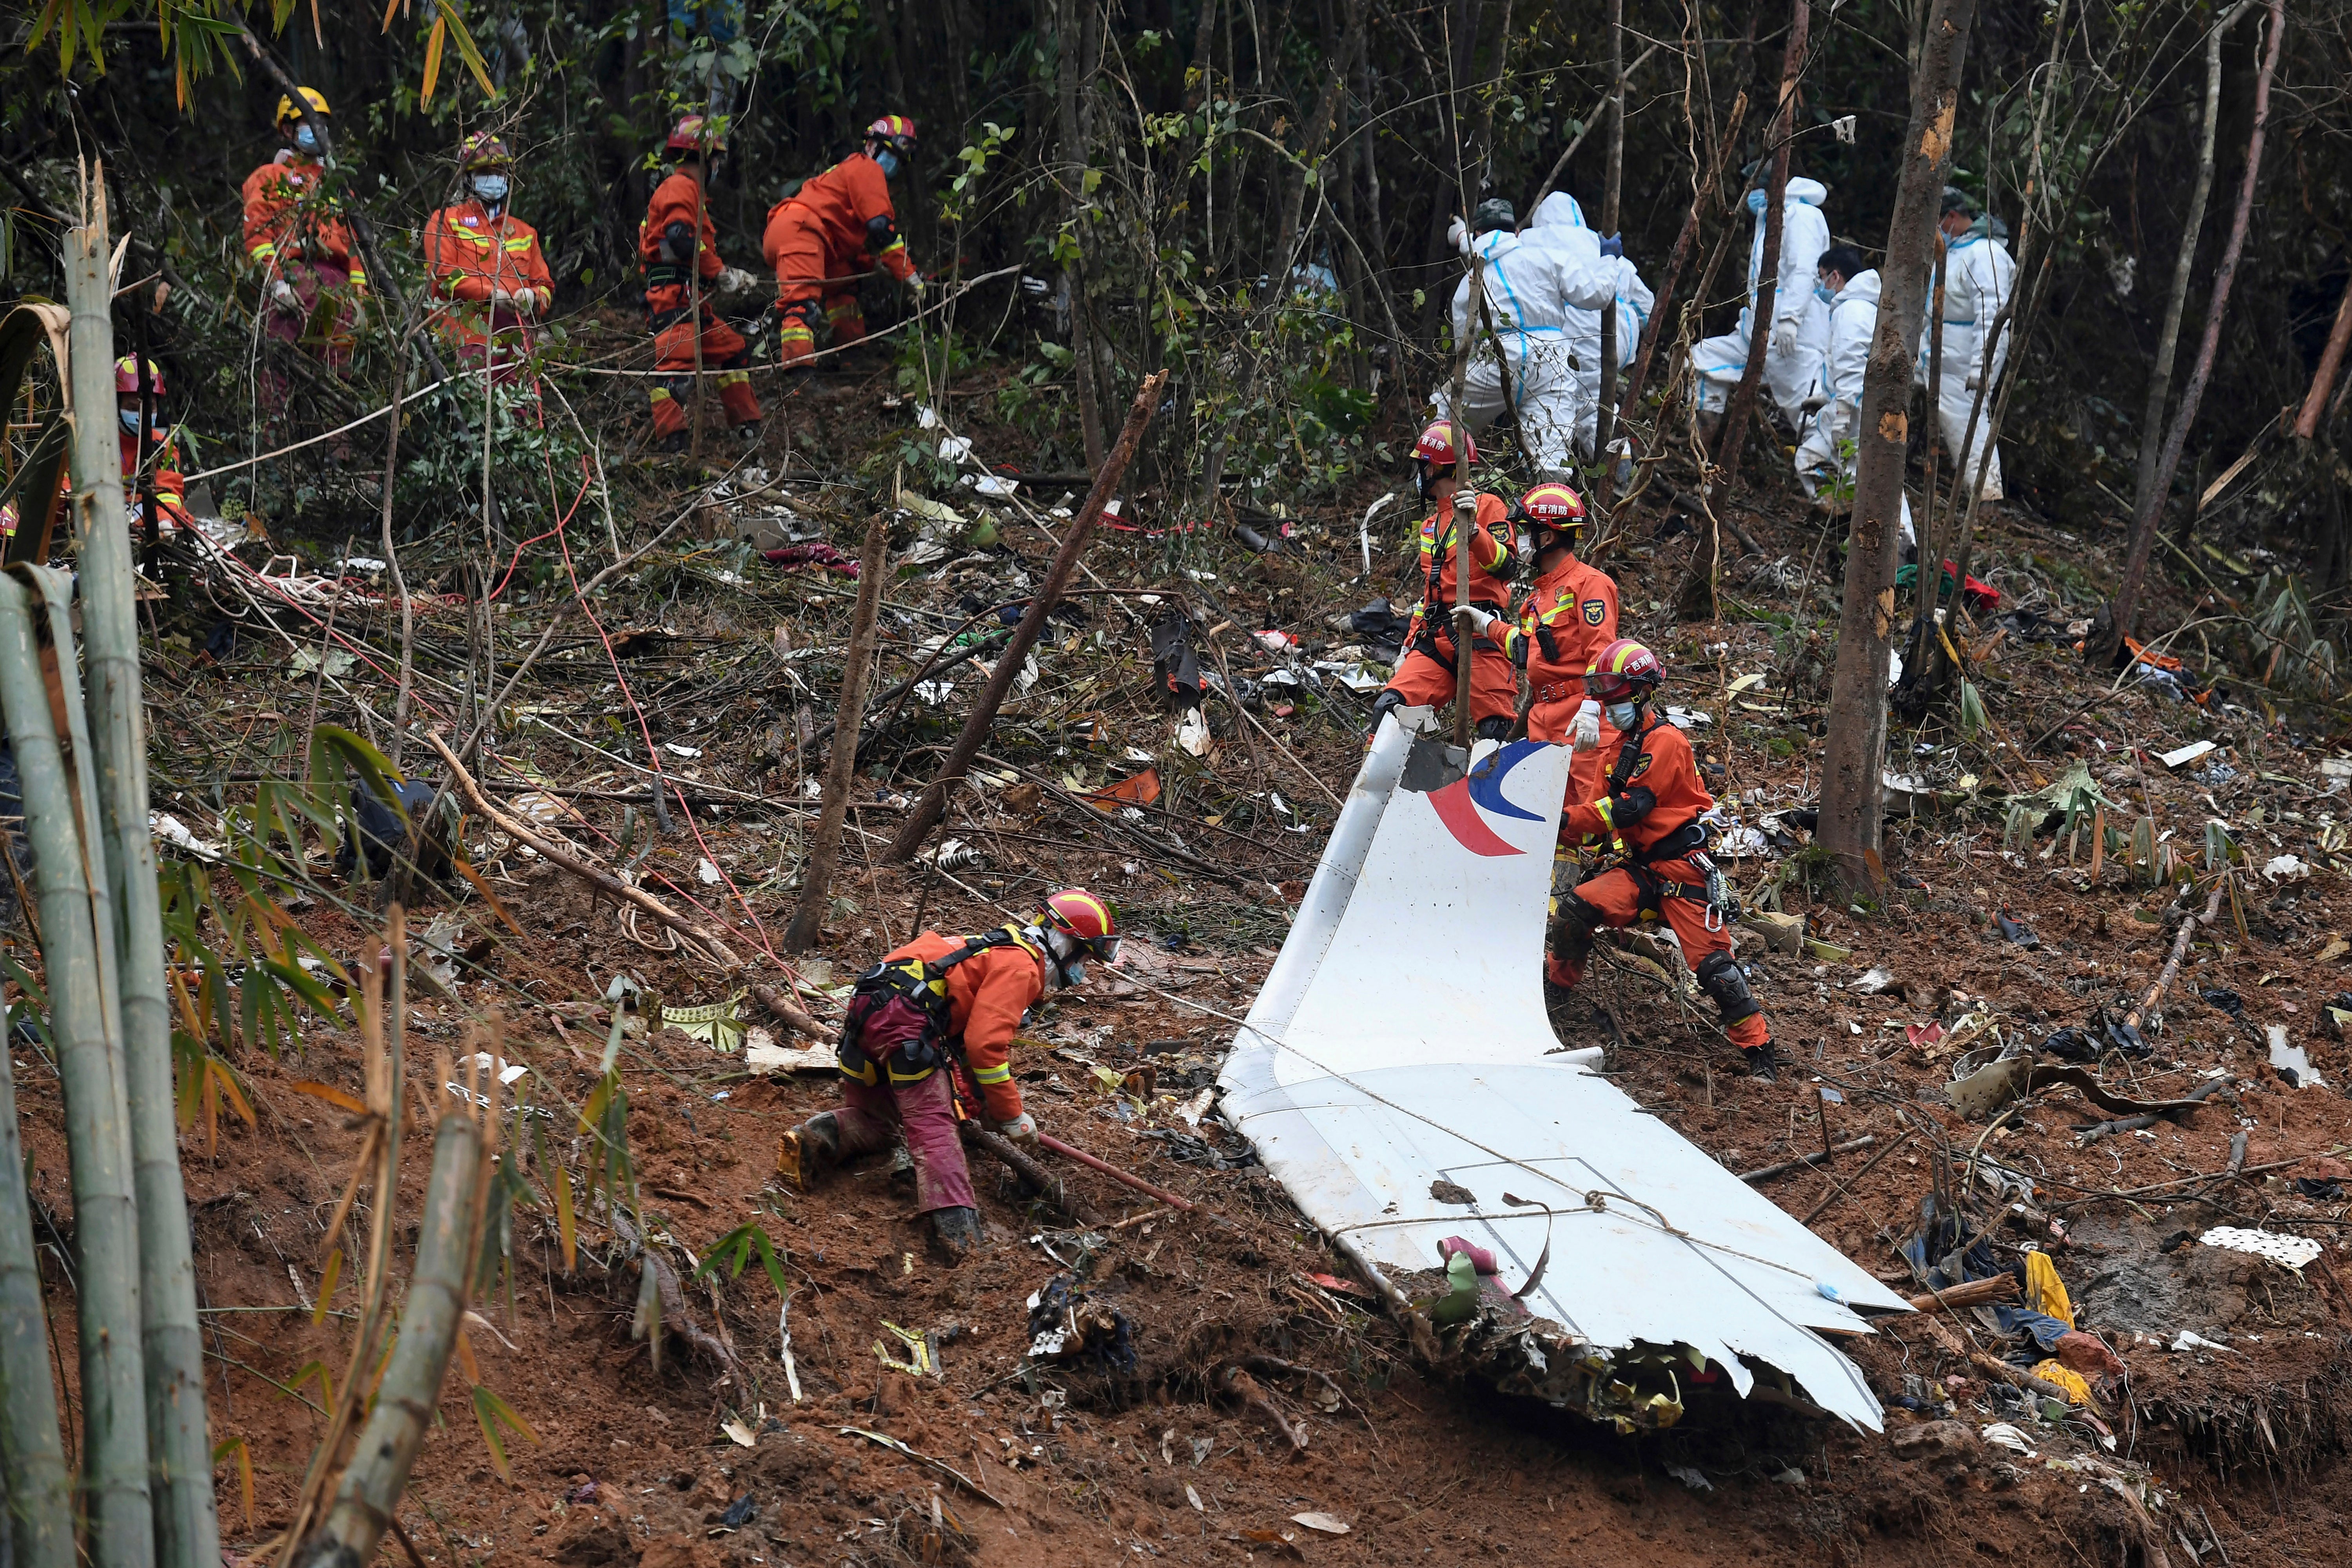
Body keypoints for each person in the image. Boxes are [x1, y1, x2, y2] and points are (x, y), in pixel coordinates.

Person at [778, 889, 1121, 1256]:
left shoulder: (995, 948)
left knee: (877, 1122)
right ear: (1064, 942)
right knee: (933, 1128)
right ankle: (961, 1240)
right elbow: (986, 1046)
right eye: (1084, 956)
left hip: (868, 1013)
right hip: (905, 1024)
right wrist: (1013, 1115)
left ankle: (814, 1138)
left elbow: (965, 1043)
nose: (1081, 969)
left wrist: (984, 1106)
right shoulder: (1021, 966)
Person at [1548, 639, 1777, 1081]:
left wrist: (1560, 821)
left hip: (1682, 868)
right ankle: (1556, 995)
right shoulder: (1613, 750)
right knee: (1576, 910)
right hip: (1640, 869)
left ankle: (1760, 1050)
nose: (1610, 706)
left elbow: (1630, 808)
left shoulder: (1667, 742)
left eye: (1615, 697)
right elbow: (1597, 814)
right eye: (1605, 698)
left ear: (1639, 692)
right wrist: (1575, 826)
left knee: (1718, 972)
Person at [1367, 422, 1521, 742]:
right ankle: (1380, 792)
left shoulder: (1489, 507)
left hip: (1482, 634)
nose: (1419, 474)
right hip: (1436, 638)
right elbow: (1430, 594)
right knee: (1389, 710)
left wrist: (1476, 533)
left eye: (1422, 466)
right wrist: (1408, 646)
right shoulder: (1431, 526)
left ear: (1435, 467)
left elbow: (1507, 568)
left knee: (1497, 733)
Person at [1427, 199, 1581, 479]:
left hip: (1496, 359)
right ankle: (1547, 516)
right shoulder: (1544, 258)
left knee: (1444, 418)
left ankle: (1431, 491)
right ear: (1517, 233)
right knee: (1550, 453)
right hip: (1552, 361)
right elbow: (1588, 294)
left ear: (1478, 235)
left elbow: (1465, 339)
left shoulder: (1470, 281)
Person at [639, 115, 763, 450]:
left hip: (693, 303)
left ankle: (747, 429)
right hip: (674, 301)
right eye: (717, 158)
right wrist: (721, 274)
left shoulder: (688, 192)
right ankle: (672, 446)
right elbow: (681, 240)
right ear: (706, 158)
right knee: (675, 374)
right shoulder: (680, 188)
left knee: (735, 351)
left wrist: (722, 273)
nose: (719, 165)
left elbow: (691, 246)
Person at [762, 116, 923, 369]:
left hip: (806, 235)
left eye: (900, 162)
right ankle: (800, 378)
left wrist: (874, 265)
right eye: (892, 155)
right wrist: (909, 274)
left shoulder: (849, 173)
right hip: (802, 231)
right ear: (872, 146)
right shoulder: (866, 168)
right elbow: (881, 228)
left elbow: (849, 246)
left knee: (845, 283)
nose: (894, 165)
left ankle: (852, 355)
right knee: (801, 306)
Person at [1495, 482, 1617, 815]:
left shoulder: (1589, 584)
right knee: (1547, 823)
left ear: (1546, 537)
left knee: (1586, 818)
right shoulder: (1538, 597)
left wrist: (1592, 708)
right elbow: (1526, 651)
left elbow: (1602, 650)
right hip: (1542, 719)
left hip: (1580, 720)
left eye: (1526, 532)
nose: (1520, 541)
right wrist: (1484, 625)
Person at [240, 88, 368, 382]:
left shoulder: (336, 183)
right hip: (294, 283)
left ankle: (337, 430)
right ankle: (276, 429)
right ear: (288, 130)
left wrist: (360, 297)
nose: (319, 131)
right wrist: (279, 285)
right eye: (310, 123)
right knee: (279, 375)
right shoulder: (269, 177)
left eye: (322, 124)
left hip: (339, 291)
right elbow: (257, 239)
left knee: (339, 380)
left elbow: (355, 245)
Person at [1792, 245, 1916, 547]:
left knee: (1875, 482)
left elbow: (1852, 365)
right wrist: (1824, 399)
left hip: (1859, 415)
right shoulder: (1862, 309)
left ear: (1836, 276)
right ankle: (1849, 525)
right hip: (1857, 408)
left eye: (1823, 278)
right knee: (1810, 460)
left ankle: (1898, 550)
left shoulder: (1851, 310)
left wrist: (1845, 413)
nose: (1821, 286)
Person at [1690, 175, 1831, 430]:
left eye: (1753, 188)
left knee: (1810, 423)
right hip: (1759, 334)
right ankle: (1701, 441)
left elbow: (1804, 270)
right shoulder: (1769, 219)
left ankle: (1833, 465)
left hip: (1793, 339)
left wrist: (1790, 319)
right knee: (1703, 358)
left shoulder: (1801, 215)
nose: (1750, 194)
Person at [1523, 193, 1656, 462]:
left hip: (1572, 336)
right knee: (1598, 400)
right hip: (1618, 335)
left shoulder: (1531, 242)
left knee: (1562, 400)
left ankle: (1551, 468)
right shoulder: (1599, 245)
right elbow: (1648, 305)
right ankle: (1621, 459)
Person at [422, 134, 554, 383]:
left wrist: (534, 298)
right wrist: (491, 295)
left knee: (521, 415)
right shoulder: (446, 221)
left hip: (518, 346)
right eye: (485, 171)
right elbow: (444, 277)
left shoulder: (525, 233)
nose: (494, 177)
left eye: (499, 170)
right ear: (468, 177)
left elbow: (544, 286)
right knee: (472, 413)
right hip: (465, 341)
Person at [1920, 186, 2016, 501]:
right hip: (1939, 360)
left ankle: (1986, 496)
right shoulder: (1955, 252)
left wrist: (1983, 367)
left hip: (1962, 368)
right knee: (1956, 428)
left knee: (1969, 430)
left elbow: (1993, 316)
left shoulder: (1985, 254)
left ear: (1951, 217)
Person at [114, 356, 196, 534]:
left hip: (144, 523)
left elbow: (169, 491)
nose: (141, 414)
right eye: (132, 407)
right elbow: (65, 486)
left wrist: (164, 522)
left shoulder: (163, 446)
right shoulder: (93, 441)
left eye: (149, 407)